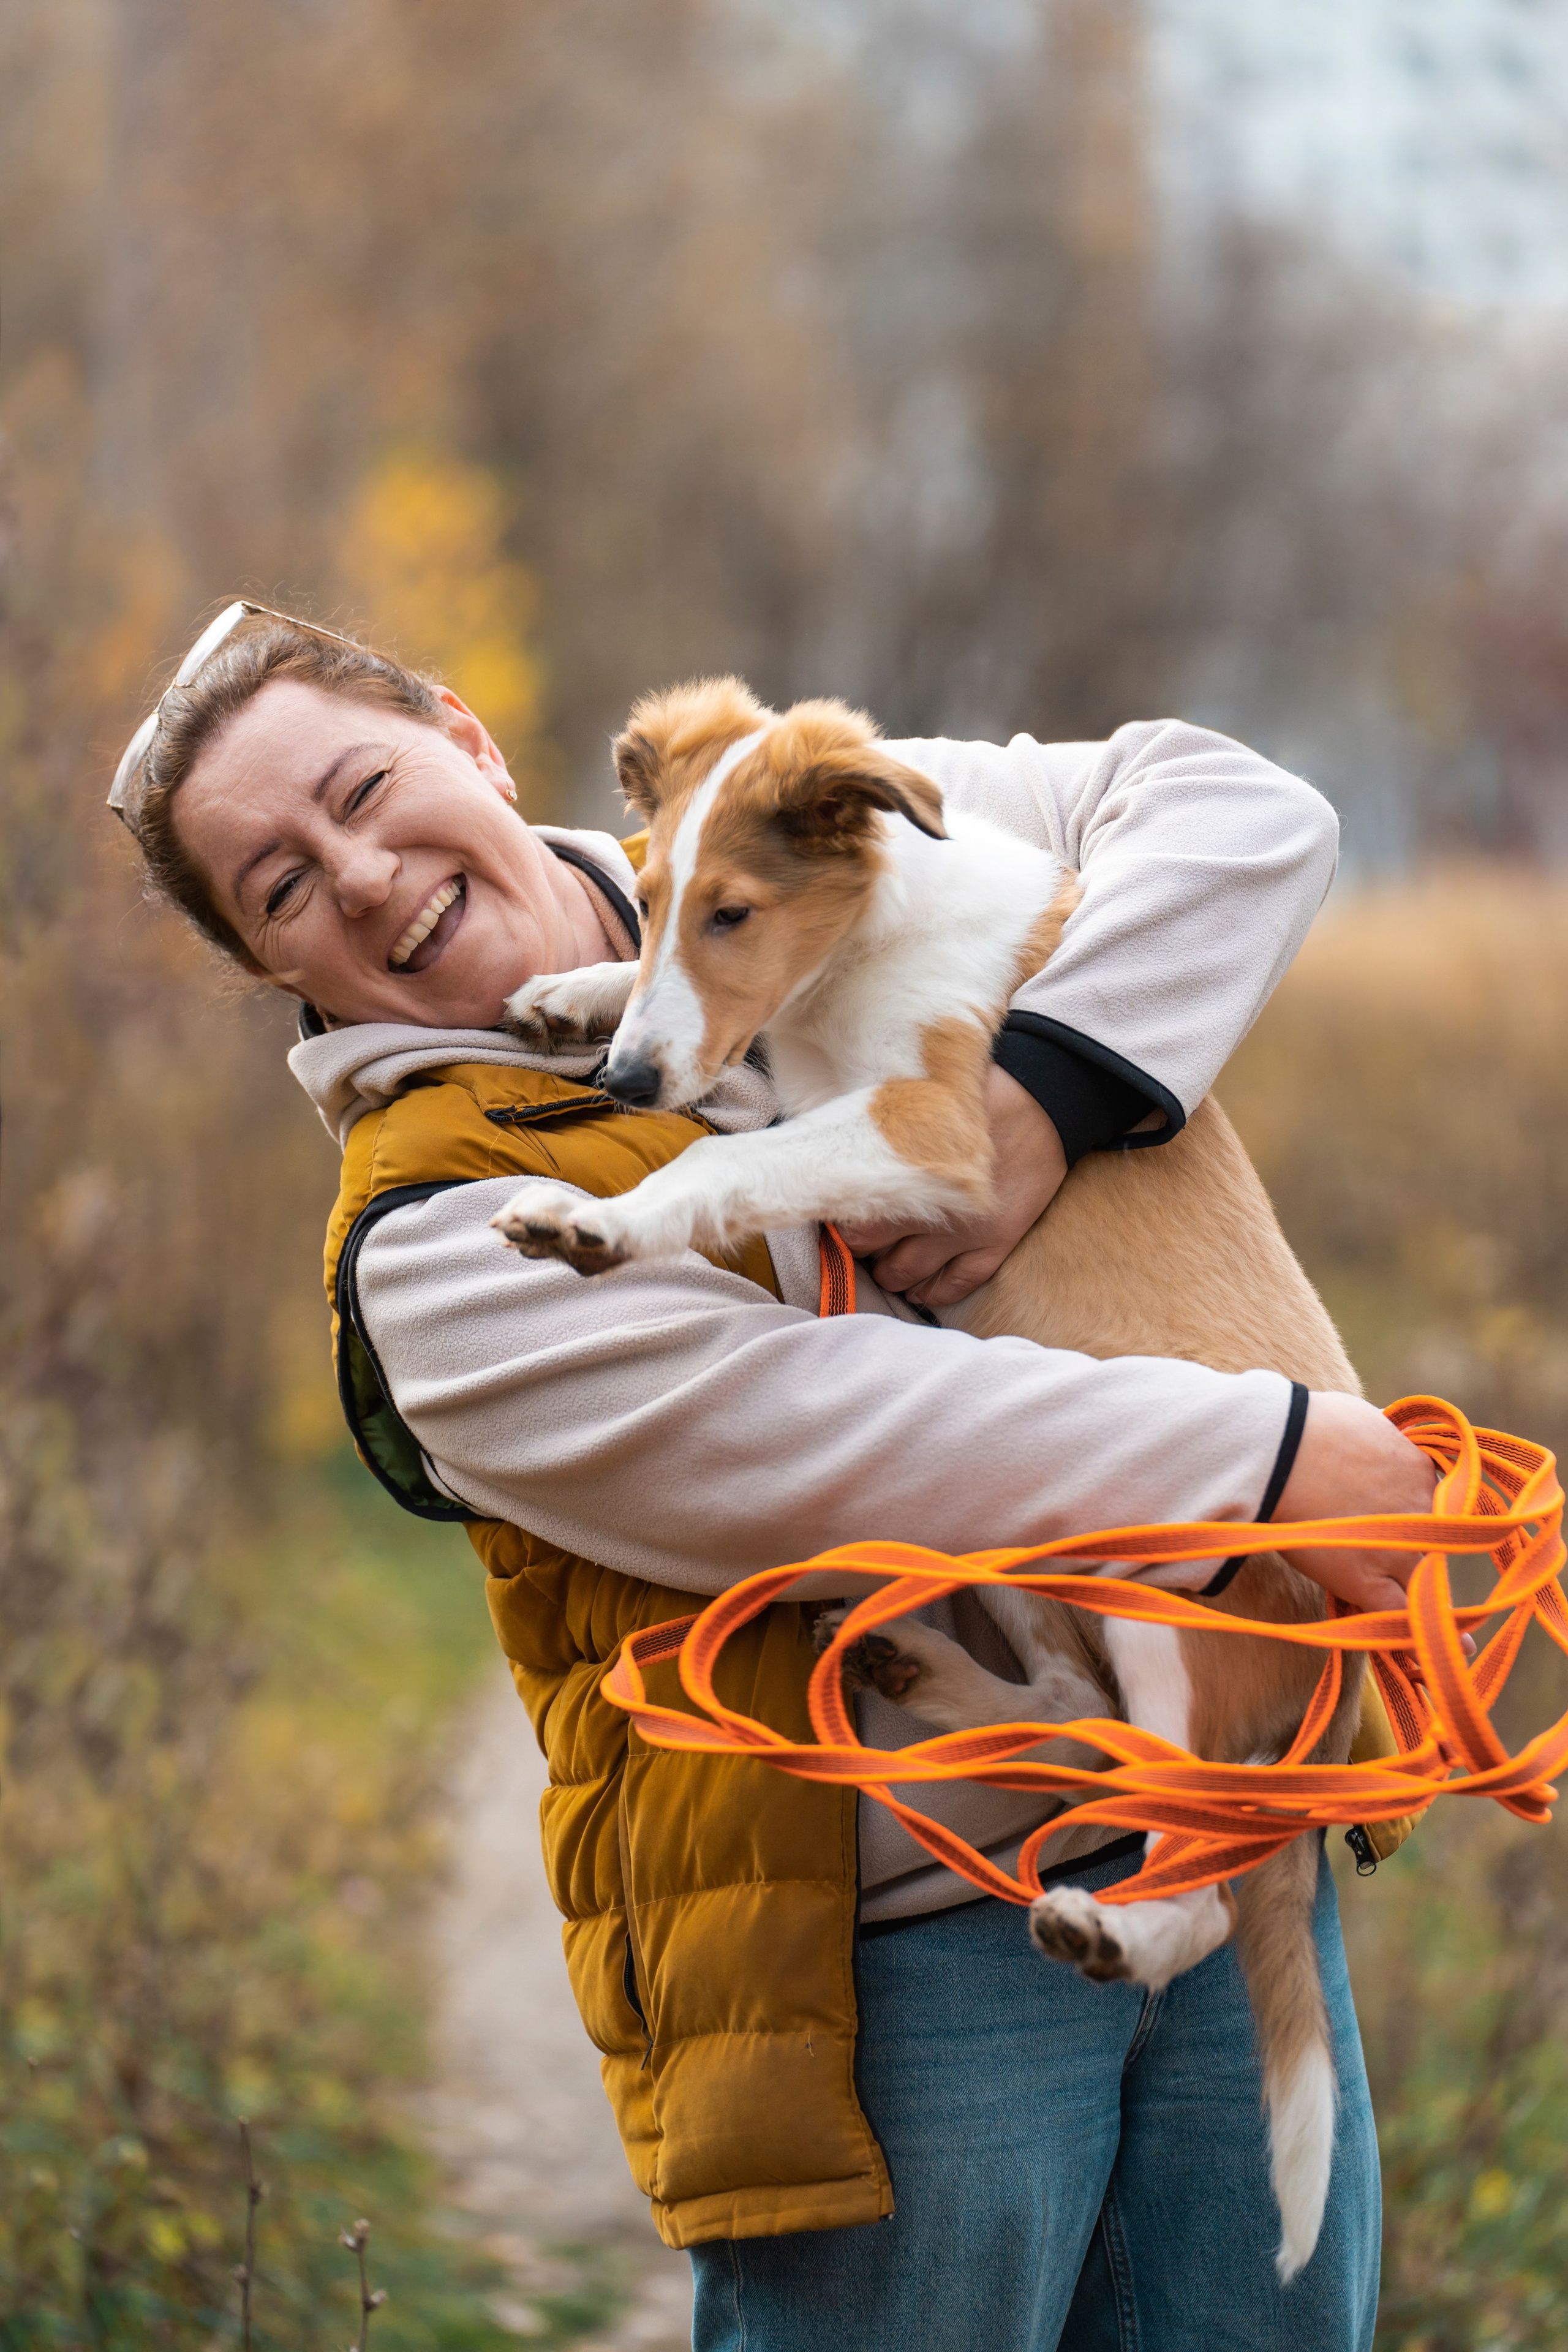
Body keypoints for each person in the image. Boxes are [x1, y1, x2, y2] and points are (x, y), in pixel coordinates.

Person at [112, 603, 1433, 2352]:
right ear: (272, 963)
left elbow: (1243, 811)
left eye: (363, 787)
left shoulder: (813, 828)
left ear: (468, 738)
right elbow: (869, 1439)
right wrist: (1282, 1455)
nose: (356, 874)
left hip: (1209, 1826)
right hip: (894, 1965)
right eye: (278, 884)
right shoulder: (436, 1245)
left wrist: (1040, 1092)